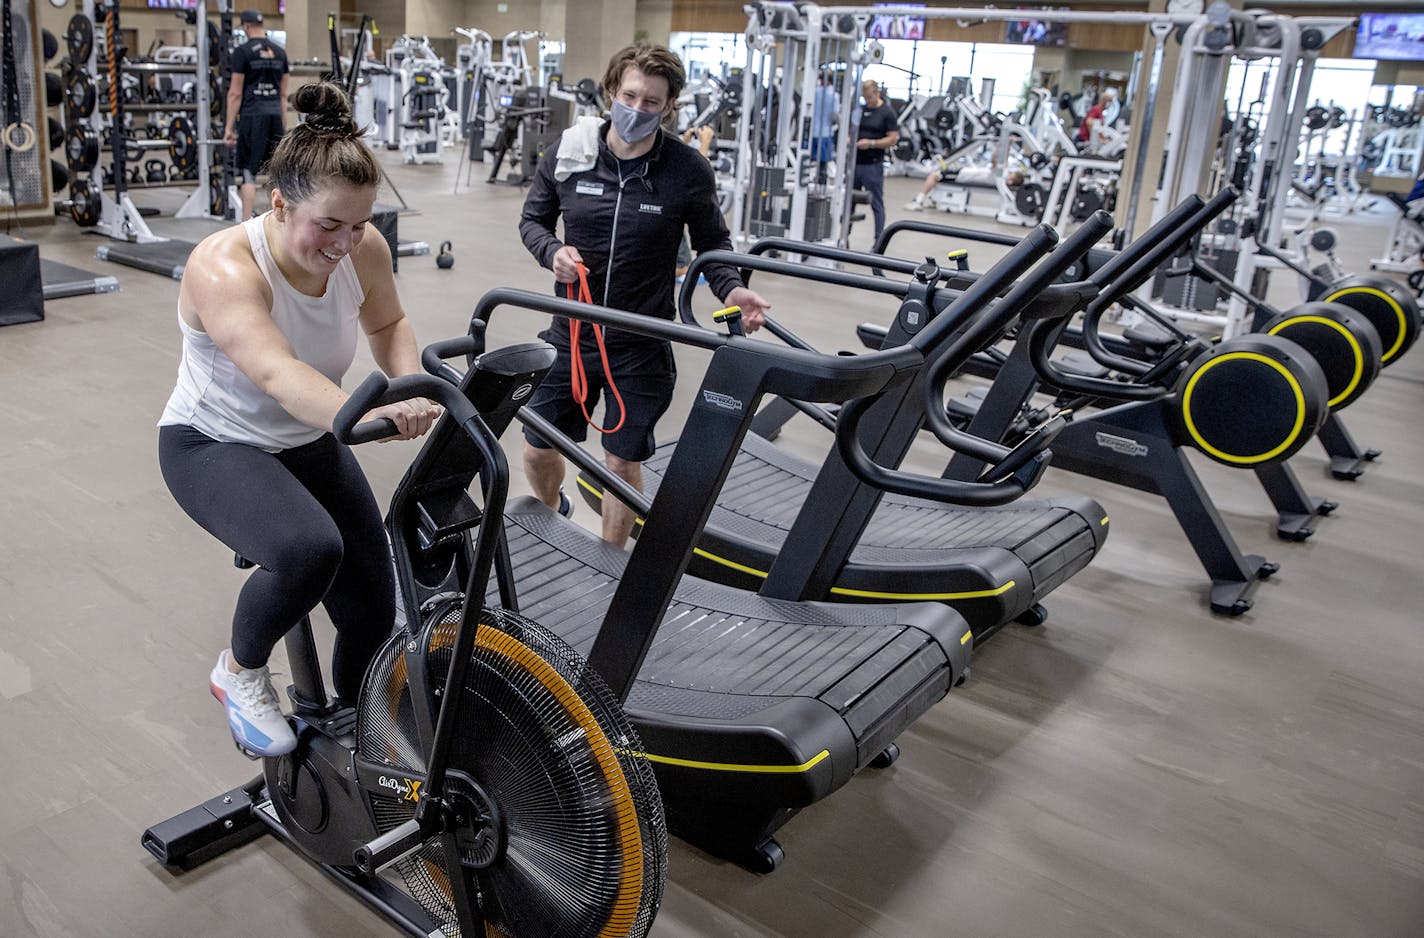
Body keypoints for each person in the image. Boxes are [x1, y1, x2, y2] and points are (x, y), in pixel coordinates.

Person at [159, 83, 441, 758]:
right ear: (279, 204)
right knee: (308, 550)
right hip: (213, 443)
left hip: (312, 436)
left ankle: (364, 727)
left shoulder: (362, 248)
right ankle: (239, 673)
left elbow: (390, 321)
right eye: (329, 226)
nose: (346, 244)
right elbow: (276, 374)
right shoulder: (224, 267)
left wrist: (406, 383)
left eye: (359, 225)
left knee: (374, 603)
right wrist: (376, 409)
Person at [519, 42, 771, 550]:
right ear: (612, 91)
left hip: (641, 343)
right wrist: (552, 252)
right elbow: (533, 221)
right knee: (537, 446)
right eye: (629, 95)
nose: (637, 109)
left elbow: (713, 245)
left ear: (669, 106)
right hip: (569, 334)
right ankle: (549, 519)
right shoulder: (569, 156)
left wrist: (734, 288)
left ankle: (609, 558)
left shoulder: (685, 169)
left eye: (651, 102)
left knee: (620, 460)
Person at [225, 9, 290, 221]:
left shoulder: (243, 52)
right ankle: (282, 220)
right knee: (278, 172)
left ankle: (246, 222)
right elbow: (283, 95)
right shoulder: (280, 53)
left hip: (253, 116)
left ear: (246, 26)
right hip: (274, 117)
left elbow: (235, 93)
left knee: (249, 173)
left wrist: (228, 128)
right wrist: (283, 124)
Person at [853, 79, 899, 240]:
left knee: (876, 203)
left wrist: (871, 143)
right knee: (849, 201)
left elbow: (893, 139)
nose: (868, 101)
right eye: (865, 98)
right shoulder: (860, 110)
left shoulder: (887, 113)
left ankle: (878, 241)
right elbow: (850, 128)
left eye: (870, 97)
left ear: (877, 93)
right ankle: (844, 237)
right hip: (855, 164)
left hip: (873, 166)